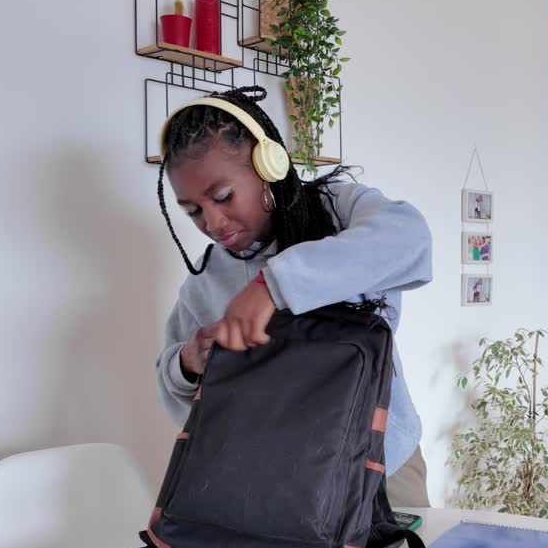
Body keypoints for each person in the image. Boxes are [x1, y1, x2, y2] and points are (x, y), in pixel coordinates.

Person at [153, 86, 434, 507]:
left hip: (382, 468)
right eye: (192, 210)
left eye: (223, 196)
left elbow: (410, 239)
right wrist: (188, 362)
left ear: (269, 165)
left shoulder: (339, 211)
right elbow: (179, 393)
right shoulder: (204, 281)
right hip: (280, 482)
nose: (212, 222)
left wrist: (273, 285)